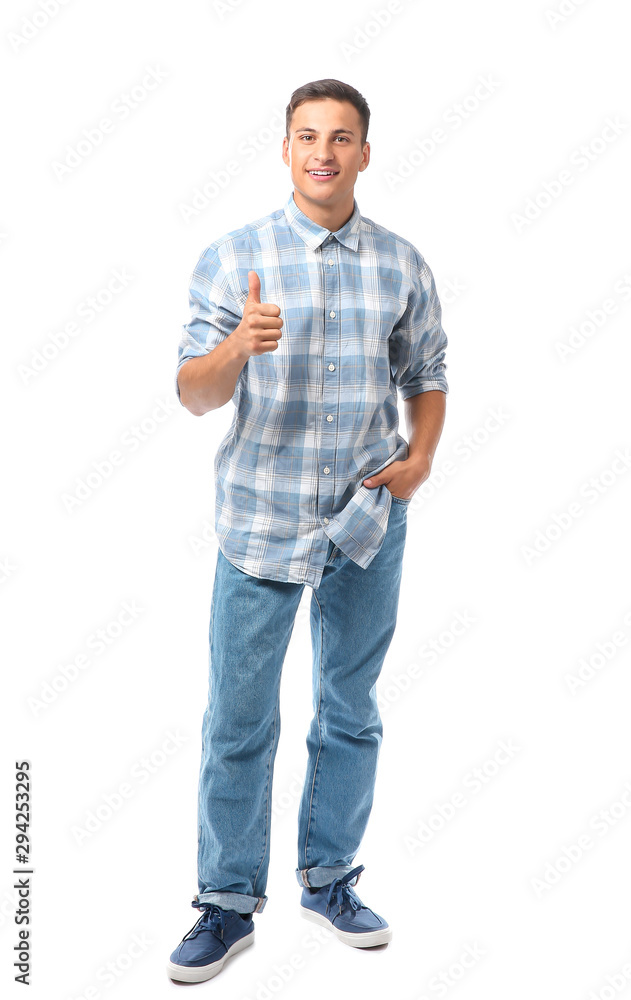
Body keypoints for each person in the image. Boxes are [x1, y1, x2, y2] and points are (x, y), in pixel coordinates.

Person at [166, 78, 449, 984]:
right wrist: (236, 347)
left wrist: (419, 459)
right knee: (238, 719)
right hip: (260, 522)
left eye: (340, 136)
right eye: (306, 135)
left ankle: (329, 881)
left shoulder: (401, 263)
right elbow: (193, 394)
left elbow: (427, 371)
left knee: (350, 710)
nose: (322, 151)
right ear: (285, 149)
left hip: (366, 520)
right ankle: (225, 902)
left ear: (364, 152)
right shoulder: (234, 257)